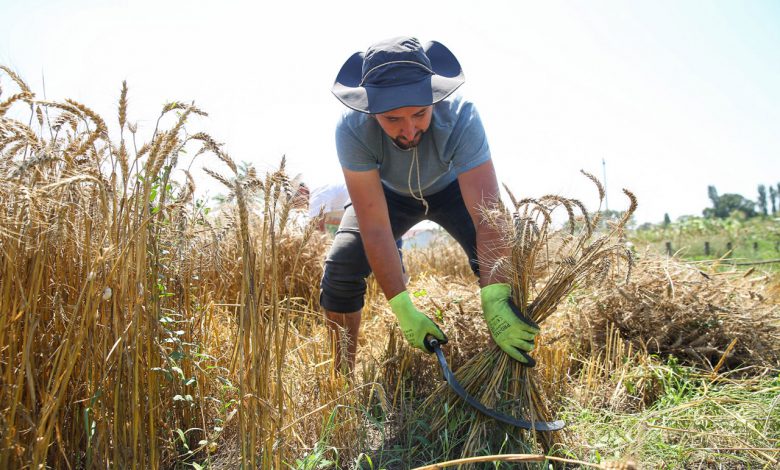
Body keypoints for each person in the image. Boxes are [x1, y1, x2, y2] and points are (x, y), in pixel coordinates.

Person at [321, 36, 540, 373]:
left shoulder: (463, 117)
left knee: (507, 267)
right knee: (341, 268)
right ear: (369, 110)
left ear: (434, 100)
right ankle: (340, 377)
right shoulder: (352, 129)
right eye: (392, 119)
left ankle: (511, 372)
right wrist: (402, 306)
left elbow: (488, 216)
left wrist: (495, 297)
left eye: (420, 114)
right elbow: (375, 226)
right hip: (388, 196)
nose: (409, 130)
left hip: (453, 190)